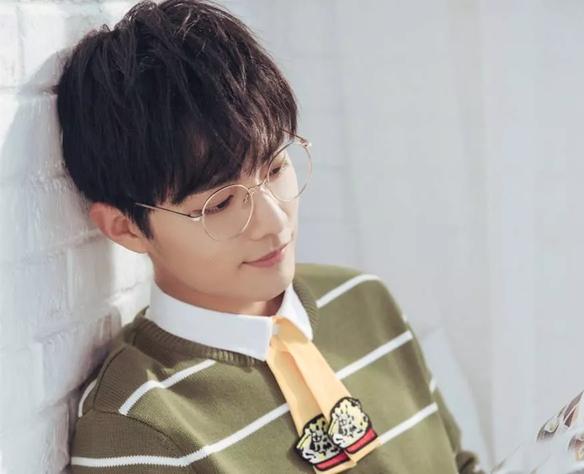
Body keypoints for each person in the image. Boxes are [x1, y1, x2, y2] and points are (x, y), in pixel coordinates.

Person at [54, 0, 483, 472]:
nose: (274, 222)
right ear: (126, 227)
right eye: (220, 204)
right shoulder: (138, 424)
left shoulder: (363, 301)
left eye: (276, 168)